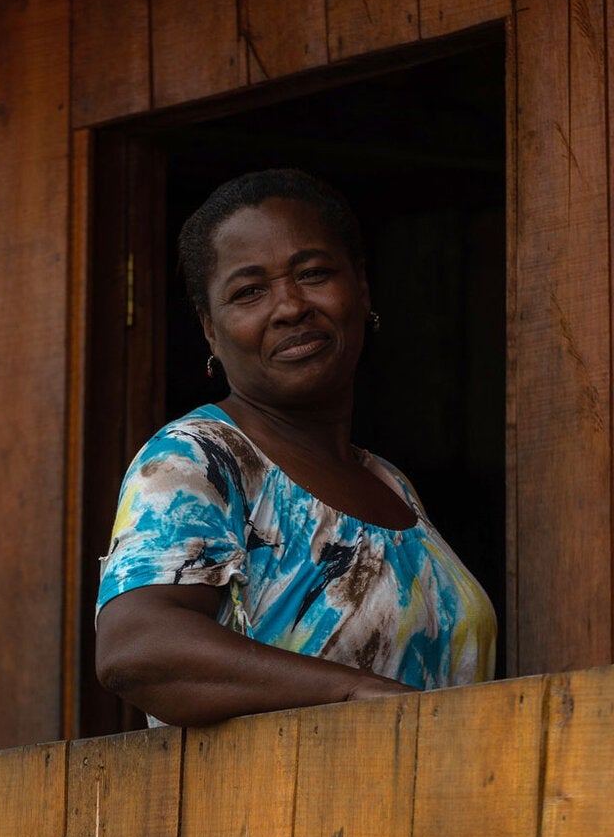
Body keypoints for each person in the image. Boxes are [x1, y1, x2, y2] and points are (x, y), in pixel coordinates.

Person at [94, 169, 496, 727]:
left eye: (313, 273)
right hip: (276, 814)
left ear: (362, 287)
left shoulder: (390, 484)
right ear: (210, 330)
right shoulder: (196, 461)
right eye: (249, 291)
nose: (289, 306)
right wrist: (356, 695)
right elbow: (137, 649)